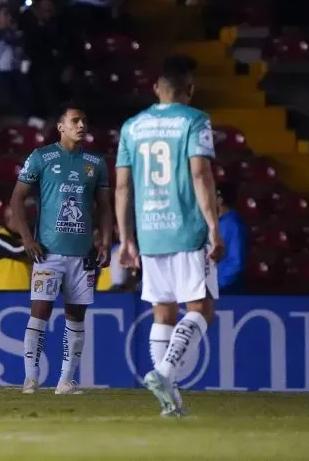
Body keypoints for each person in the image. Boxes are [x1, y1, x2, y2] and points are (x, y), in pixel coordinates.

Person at [115, 56, 225, 417]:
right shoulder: (195, 120)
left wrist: (127, 239)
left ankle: (170, 402)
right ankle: (164, 373)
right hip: (186, 228)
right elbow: (199, 174)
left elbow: (122, 186)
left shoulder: (132, 126)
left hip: (150, 231)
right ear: (189, 91)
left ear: (156, 89)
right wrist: (213, 226)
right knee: (201, 309)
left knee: (162, 312)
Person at [6, 103, 113, 395]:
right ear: (61, 126)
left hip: (83, 255)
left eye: (84, 120)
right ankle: (30, 378)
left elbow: (105, 207)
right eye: (75, 120)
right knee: (39, 313)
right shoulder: (41, 157)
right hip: (48, 253)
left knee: (76, 317)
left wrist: (105, 240)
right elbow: (17, 199)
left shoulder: (96, 162)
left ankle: (66, 381)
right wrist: (27, 238)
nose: (81, 125)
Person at [216, 183, 246, 293]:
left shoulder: (233, 225)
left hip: (226, 293)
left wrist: (215, 284)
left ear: (219, 200)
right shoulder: (215, 223)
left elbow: (236, 263)